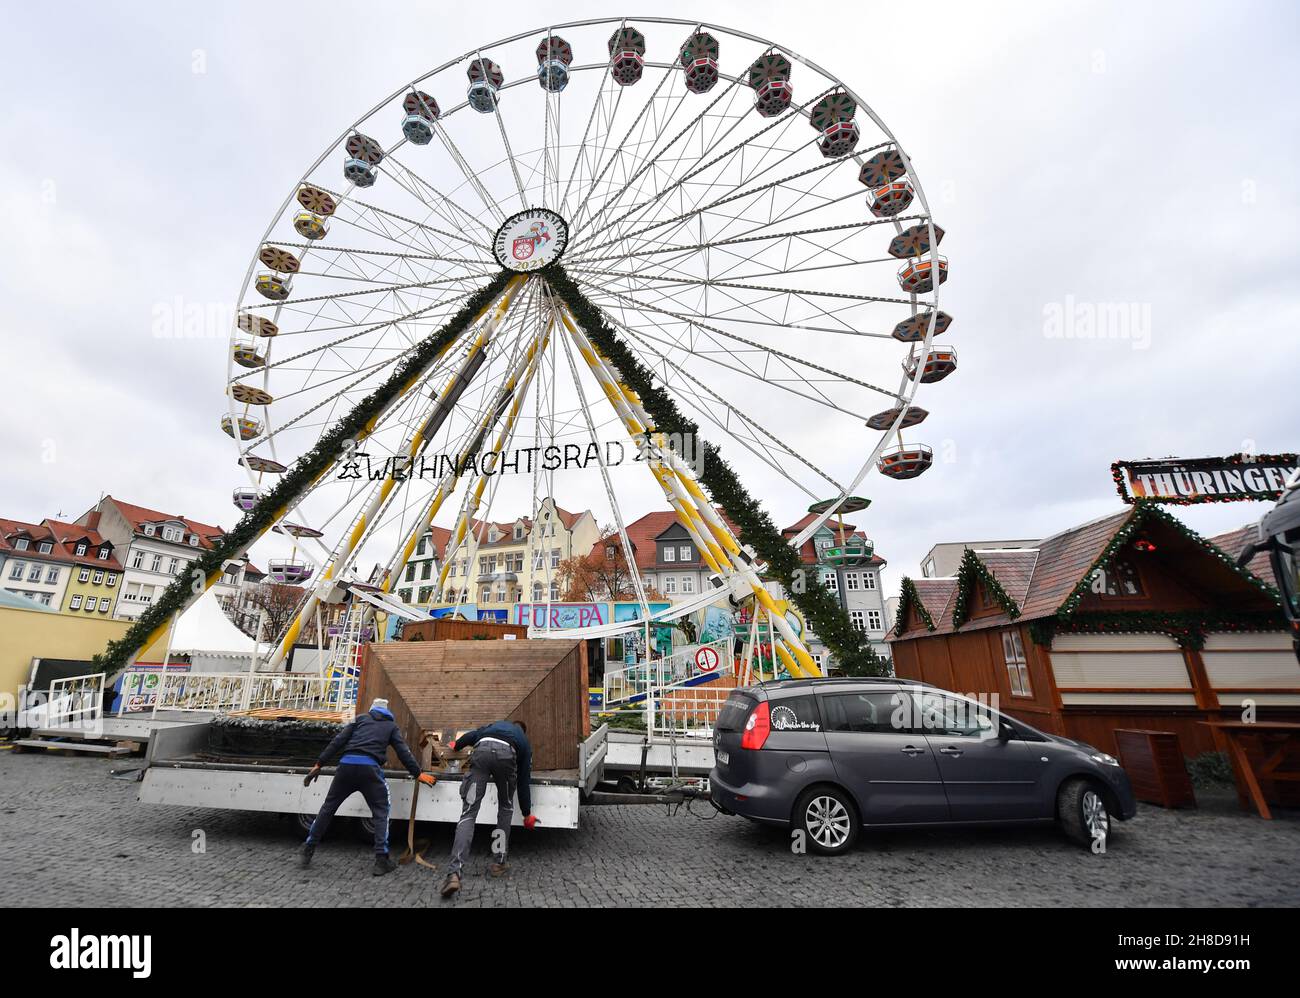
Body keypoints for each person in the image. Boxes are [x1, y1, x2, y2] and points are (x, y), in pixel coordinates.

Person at [299, 697, 435, 876]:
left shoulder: (360, 720)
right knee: (381, 810)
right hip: (370, 770)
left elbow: (338, 741)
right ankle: (381, 859)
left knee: (328, 808)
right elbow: (403, 752)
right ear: (387, 712)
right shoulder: (390, 726)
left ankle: (309, 847)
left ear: (371, 709)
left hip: (345, 767)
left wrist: (319, 764)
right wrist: (418, 773)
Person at [439, 719, 538, 898]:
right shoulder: (523, 741)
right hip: (506, 757)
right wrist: (526, 813)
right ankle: (498, 862)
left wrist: (456, 745)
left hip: (481, 752)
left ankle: (454, 872)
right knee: (505, 809)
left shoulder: (494, 726)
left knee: (468, 814)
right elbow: (524, 780)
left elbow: (470, 736)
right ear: (523, 730)